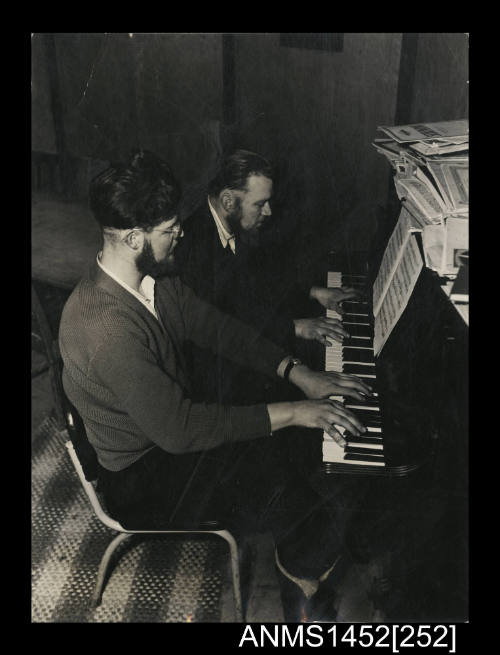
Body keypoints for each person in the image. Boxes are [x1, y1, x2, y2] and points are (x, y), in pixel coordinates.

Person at [58, 149, 372, 622]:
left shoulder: (151, 280)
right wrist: (294, 411)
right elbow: (180, 430)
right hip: (144, 476)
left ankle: (303, 565)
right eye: (169, 229)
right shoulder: (107, 328)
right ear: (133, 237)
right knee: (294, 472)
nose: (182, 231)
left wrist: (295, 371)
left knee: (300, 452)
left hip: (166, 439)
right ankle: (304, 590)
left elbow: (217, 328)